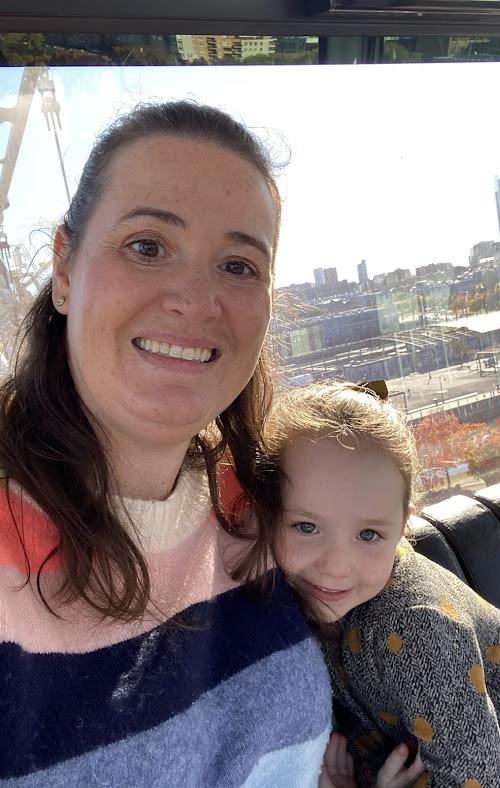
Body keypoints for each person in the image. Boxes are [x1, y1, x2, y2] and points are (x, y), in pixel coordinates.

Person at [0, 101, 333, 786]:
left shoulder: (265, 507)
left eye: (238, 266)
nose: (194, 298)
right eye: (147, 246)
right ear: (64, 269)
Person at [258, 381, 500, 788]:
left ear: (403, 526)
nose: (335, 567)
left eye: (368, 535)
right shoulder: (297, 603)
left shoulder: (417, 628)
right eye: (306, 526)